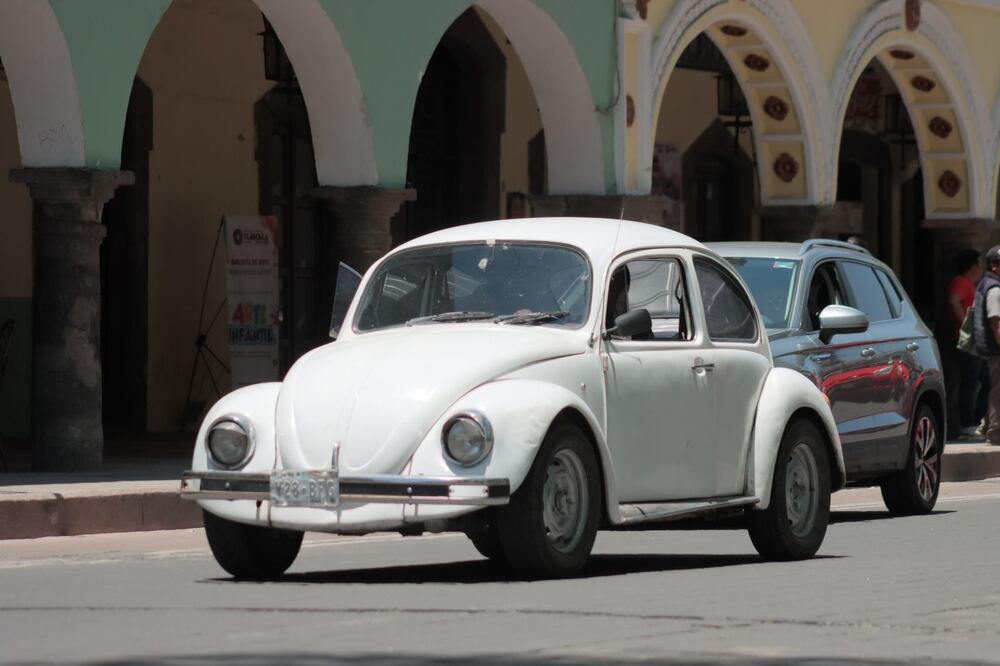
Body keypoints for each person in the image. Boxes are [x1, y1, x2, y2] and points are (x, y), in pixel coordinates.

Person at [949, 249, 987, 437]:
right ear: (973, 266)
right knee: (970, 383)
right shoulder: (961, 282)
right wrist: (966, 326)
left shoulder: (970, 284)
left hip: (975, 341)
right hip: (968, 341)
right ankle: (967, 422)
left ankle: (977, 419)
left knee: (983, 381)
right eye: (979, 264)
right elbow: (954, 300)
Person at [972, 246, 1000, 445]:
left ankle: (988, 425)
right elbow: (997, 323)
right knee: (998, 391)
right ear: (995, 266)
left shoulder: (986, 284)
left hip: (989, 349)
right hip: (996, 350)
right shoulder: (995, 290)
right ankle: (995, 431)